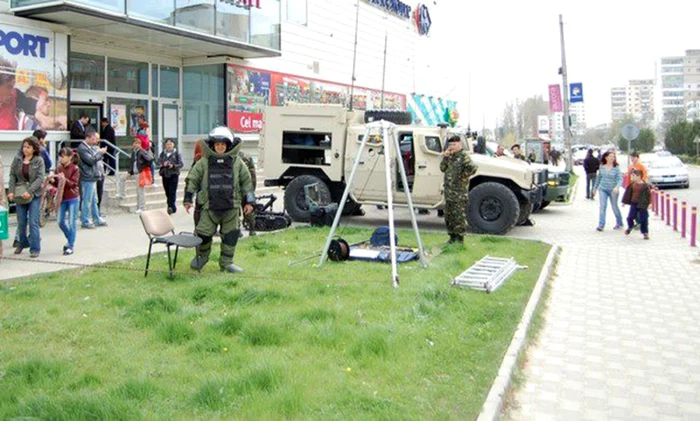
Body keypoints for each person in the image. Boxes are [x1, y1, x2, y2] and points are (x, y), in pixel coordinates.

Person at [184, 127, 255, 273]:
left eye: (223, 144)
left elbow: (246, 182)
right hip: (209, 207)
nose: (220, 147)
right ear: (212, 145)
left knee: (231, 235)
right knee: (203, 233)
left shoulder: (237, 162)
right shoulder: (203, 162)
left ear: (228, 145)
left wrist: (249, 202)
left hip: (232, 207)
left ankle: (226, 263)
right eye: (217, 144)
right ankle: (202, 257)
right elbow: (192, 180)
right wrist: (188, 199)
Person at [8, 137, 45, 258]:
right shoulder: (18, 159)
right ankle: (23, 243)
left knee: (33, 222)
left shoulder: (39, 160)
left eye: (28, 147)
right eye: (24, 146)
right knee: (21, 222)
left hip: (34, 195)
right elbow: (12, 175)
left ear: (34, 149)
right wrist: (11, 191)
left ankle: (35, 248)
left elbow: (40, 178)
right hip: (20, 194)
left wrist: (30, 191)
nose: (25, 149)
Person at [440, 135, 478, 243]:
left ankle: (460, 239)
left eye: (454, 144)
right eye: (450, 145)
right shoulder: (451, 156)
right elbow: (442, 168)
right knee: (449, 215)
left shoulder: (463, 156)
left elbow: (473, 168)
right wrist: (446, 157)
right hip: (449, 192)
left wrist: (462, 177)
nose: (452, 146)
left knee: (458, 216)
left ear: (459, 144)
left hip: (459, 192)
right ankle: (452, 237)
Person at [51, 147, 81, 255]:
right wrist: (52, 180)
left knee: (72, 222)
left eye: (63, 156)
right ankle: (70, 238)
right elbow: (56, 184)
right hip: (62, 198)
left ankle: (71, 245)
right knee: (60, 221)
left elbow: (73, 183)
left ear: (69, 157)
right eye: (60, 156)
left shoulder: (75, 168)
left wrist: (64, 179)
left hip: (73, 197)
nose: (60, 158)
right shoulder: (58, 168)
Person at [77, 128, 108, 228]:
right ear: (89, 138)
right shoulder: (82, 148)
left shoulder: (89, 147)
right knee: (87, 199)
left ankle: (96, 218)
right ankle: (85, 220)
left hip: (92, 176)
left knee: (94, 199)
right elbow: (90, 160)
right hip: (87, 176)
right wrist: (100, 153)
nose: (96, 141)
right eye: (94, 139)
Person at [592, 150, 623, 231]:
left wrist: (617, 187)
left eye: (613, 157)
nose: (612, 158)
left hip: (613, 190)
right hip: (603, 189)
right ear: (606, 157)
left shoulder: (616, 168)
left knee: (614, 207)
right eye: (610, 156)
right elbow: (598, 178)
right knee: (602, 206)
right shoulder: (601, 167)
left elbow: (620, 179)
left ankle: (619, 222)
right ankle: (601, 225)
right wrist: (594, 188)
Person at [125, 138, 154, 214]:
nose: (135, 144)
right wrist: (130, 171)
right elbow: (132, 162)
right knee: (138, 190)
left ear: (140, 144)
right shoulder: (134, 152)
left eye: (137, 143)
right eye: (134, 143)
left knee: (140, 191)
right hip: (135, 173)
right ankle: (138, 206)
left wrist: (143, 167)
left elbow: (150, 159)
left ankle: (141, 207)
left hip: (140, 173)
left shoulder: (141, 151)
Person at [622, 169, 651, 240]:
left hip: (642, 204)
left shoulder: (645, 186)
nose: (631, 177)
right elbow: (627, 194)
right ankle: (630, 227)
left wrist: (650, 203)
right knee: (630, 217)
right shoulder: (632, 185)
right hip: (633, 203)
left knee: (644, 219)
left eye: (633, 176)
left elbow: (649, 195)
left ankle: (645, 233)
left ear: (639, 176)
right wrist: (624, 202)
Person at [158, 139, 183, 215]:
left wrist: (173, 166)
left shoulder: (177, 153)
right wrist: (163, 164)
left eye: (170, 144)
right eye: (167, 144)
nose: (169, 146)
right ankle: (171, 206)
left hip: (174, 174)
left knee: (172, 191)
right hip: (165, 174)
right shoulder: (163, 153)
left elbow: (181, 164)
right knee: (167, 191)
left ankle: (171, 207)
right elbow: (158, 161)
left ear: (173, 145)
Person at [238, 149, 258, 236]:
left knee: (235, 210)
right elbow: (253, 175)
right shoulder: (248, 156)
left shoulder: (233, 157)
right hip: (248, 187)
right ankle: (252, 230)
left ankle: (238, 231)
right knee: (249, 208)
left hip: (237, 188)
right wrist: (252, 189)